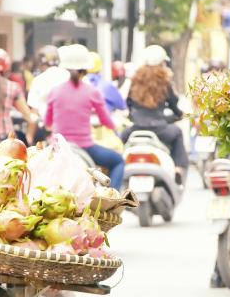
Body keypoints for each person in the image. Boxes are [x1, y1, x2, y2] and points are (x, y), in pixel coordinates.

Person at [45, 44, 125, 190]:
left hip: (58, 148)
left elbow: (47, 123)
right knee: (118, 161)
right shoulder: (92, 92)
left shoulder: (54, 91)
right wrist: (116, 125)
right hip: (86, 148)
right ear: (86, 69)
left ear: (66, 68)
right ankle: (112, 200)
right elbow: (106, 121)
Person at [121, 45, 188, 185]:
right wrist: (181, 114)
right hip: (159, 130)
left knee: (120, 140)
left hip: (135, 129)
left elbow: (129, 103)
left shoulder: (135, 79)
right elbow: (174, 105)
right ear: (162, 63)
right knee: (178, 133)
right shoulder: (164, 80)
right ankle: (177, 169)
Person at [26, 45, 69, 144]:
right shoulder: (69, 76)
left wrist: (29, 137)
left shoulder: (38, 80)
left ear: (41, 62)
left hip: (46, 129)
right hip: (69, 128)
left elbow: (34, 112)